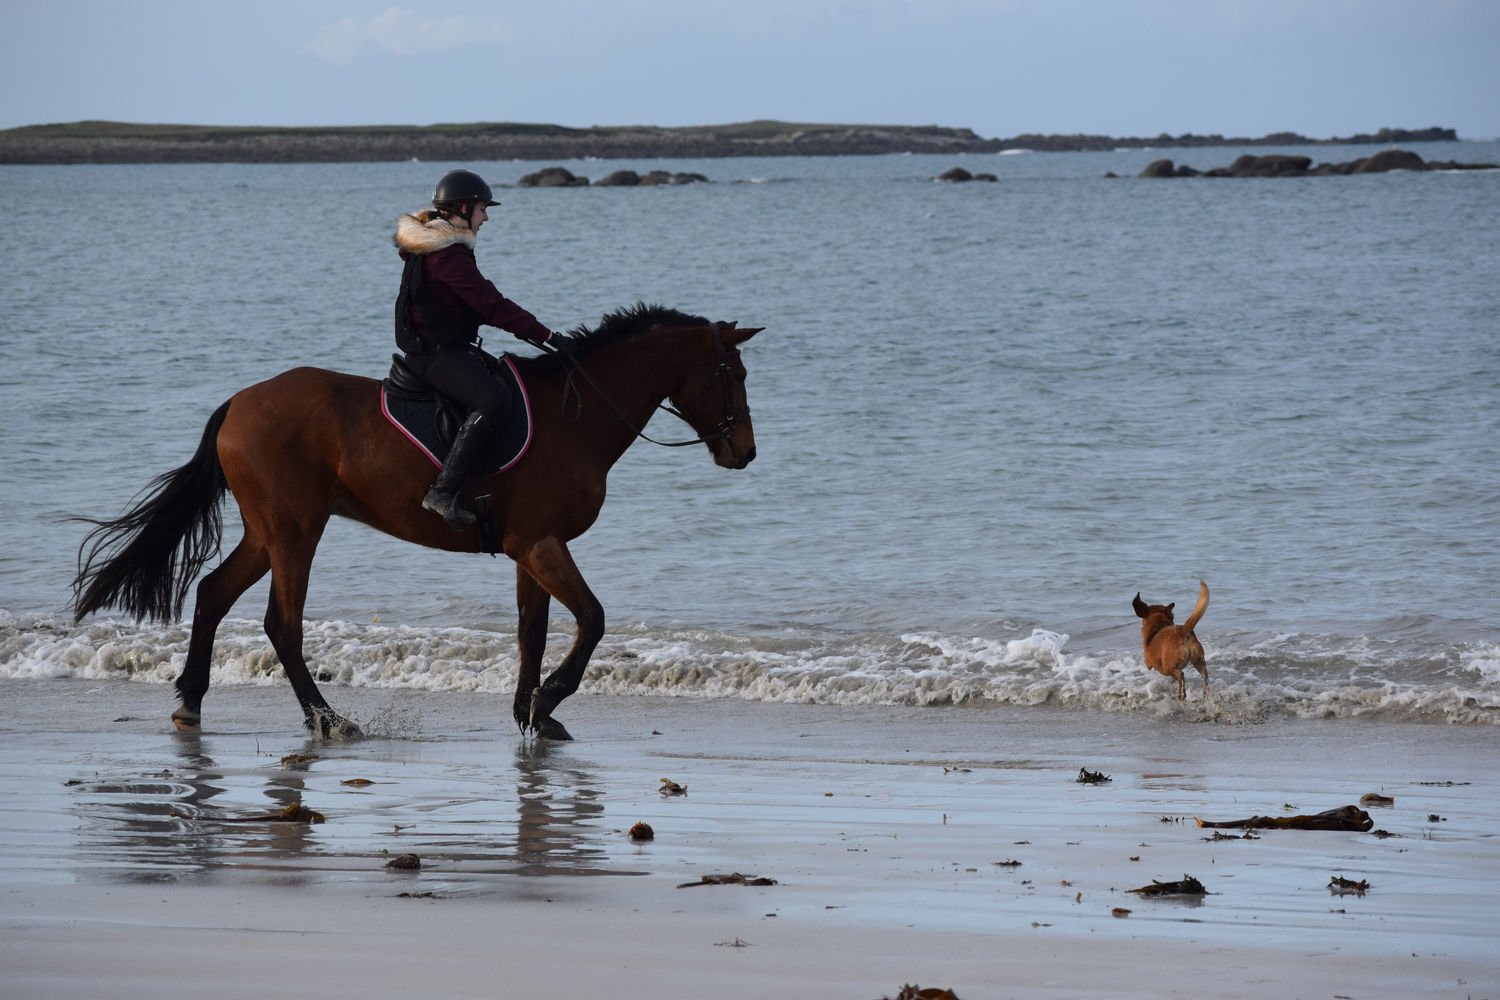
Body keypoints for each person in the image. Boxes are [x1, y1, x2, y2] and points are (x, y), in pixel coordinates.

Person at [393, 169, 567, 531]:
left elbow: (469, 306)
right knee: (494, 401)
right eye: (482, 209)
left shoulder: (438, 245)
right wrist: (548, 336)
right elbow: (491, 304)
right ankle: (443, 491)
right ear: (462, 207)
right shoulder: (447, 255)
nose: (486, 218)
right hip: (435, 353)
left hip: (445, 345)